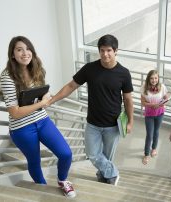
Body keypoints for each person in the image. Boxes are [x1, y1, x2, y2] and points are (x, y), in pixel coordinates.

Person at [48, 34, 134, 186]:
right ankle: (113, 173)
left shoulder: (124, 73)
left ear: (116, 51)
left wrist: (130, 122)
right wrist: (52, 99)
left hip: (113, 125)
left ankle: (104, 178)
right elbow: (70, 86)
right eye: (102, 50)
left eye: (108, 50)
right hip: (93, 123)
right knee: (92, 154)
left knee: (107, 157)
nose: (105, 54)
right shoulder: (90, 69)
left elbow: (128, 99)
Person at [0, 36, 76, 198]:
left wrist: (46, 96)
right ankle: (42, 189)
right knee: (34, 161)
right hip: (21, 128)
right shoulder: (7, 78)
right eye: (19, 50)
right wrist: (41, 104)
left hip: (42, 120)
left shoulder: (35, 67)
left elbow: (42, 90)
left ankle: (62, 180)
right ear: (12, 54)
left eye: (28, 49)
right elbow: (14, 112)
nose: (25, 53)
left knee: (66, 153)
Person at [140, 70, 168, 165]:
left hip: (160, 113)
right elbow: (143, 102)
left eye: (156, 78)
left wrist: (161, 103)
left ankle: (154, 148)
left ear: (158, 78)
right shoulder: (144, 88)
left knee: (156, 132)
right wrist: (152, 105)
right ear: (148, 79)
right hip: (149, 115)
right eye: (151, 78)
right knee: (149, 134)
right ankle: (146, 154)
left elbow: (166, 99)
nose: (154, 80)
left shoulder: (162, 87)